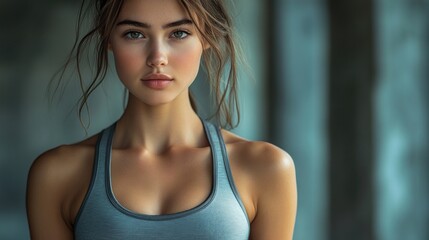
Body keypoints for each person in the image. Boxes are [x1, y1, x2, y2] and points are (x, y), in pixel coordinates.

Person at [26, 0, 297, 239]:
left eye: (179, 33)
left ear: (207, 37)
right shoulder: (57, 176)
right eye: (134, 34)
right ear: (108, 39)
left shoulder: (266, 169)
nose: (157, 58)